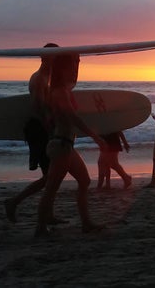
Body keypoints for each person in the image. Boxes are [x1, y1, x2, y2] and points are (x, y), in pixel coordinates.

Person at [33, 48, 109, 237]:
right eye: (72, 65)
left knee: (84, 181)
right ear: (62, 68)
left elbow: (73, 79)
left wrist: (77, 59)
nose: (74, 69)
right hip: (60, 145)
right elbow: (72, 117)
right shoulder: (59, 92)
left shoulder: (64, 88)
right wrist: (95, 136)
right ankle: (40, 229)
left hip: (65, 145)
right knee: (51, 188)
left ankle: (86, 223)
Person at [3, 118, 64, 225]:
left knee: (52, 179)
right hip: (42, 136)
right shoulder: (43, 102)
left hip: (45, 135)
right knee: (50, 178)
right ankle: (14, 202)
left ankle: (49, 215)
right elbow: (39, 111)